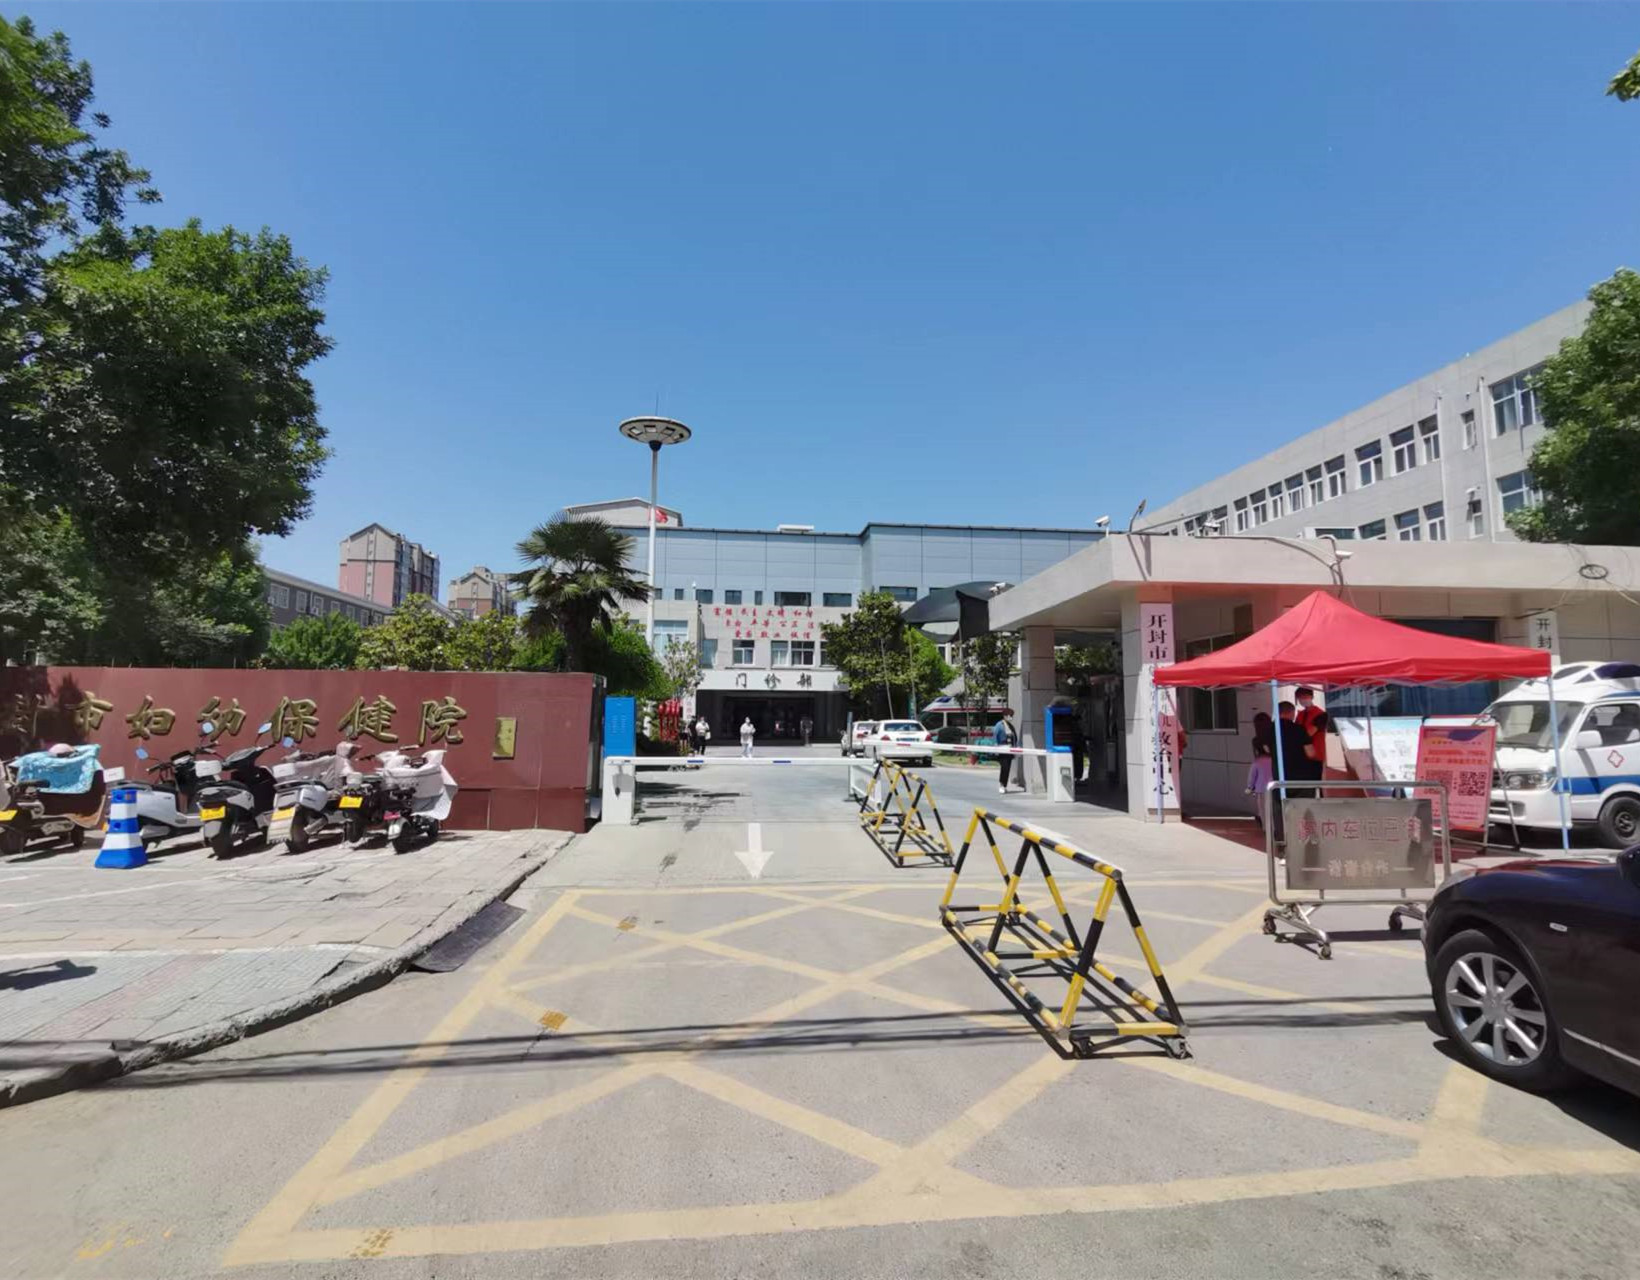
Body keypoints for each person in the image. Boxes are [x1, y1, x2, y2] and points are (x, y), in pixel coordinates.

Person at [1245, 711, 1275, 827]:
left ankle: (1266, 828)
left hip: (1261, 787)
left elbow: (1252, 776)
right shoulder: (1275, 737)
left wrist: (1250, 787)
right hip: (1276, 783)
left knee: (1263, 809)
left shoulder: (1256, 741)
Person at [994, 713, 1019, 793]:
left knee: (1007, 768)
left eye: (1012, 716)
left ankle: (1004, 785)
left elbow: (1014, 738)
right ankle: (1001, 785)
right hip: (1002, 749)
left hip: (1010, 749)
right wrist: (995, 748)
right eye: (1009, 716)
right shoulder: (999, 725)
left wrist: (1015, 749)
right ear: (1004, 716)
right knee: (1004, 767)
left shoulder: (1011, 726)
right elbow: (995, 736)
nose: (1011, 717)